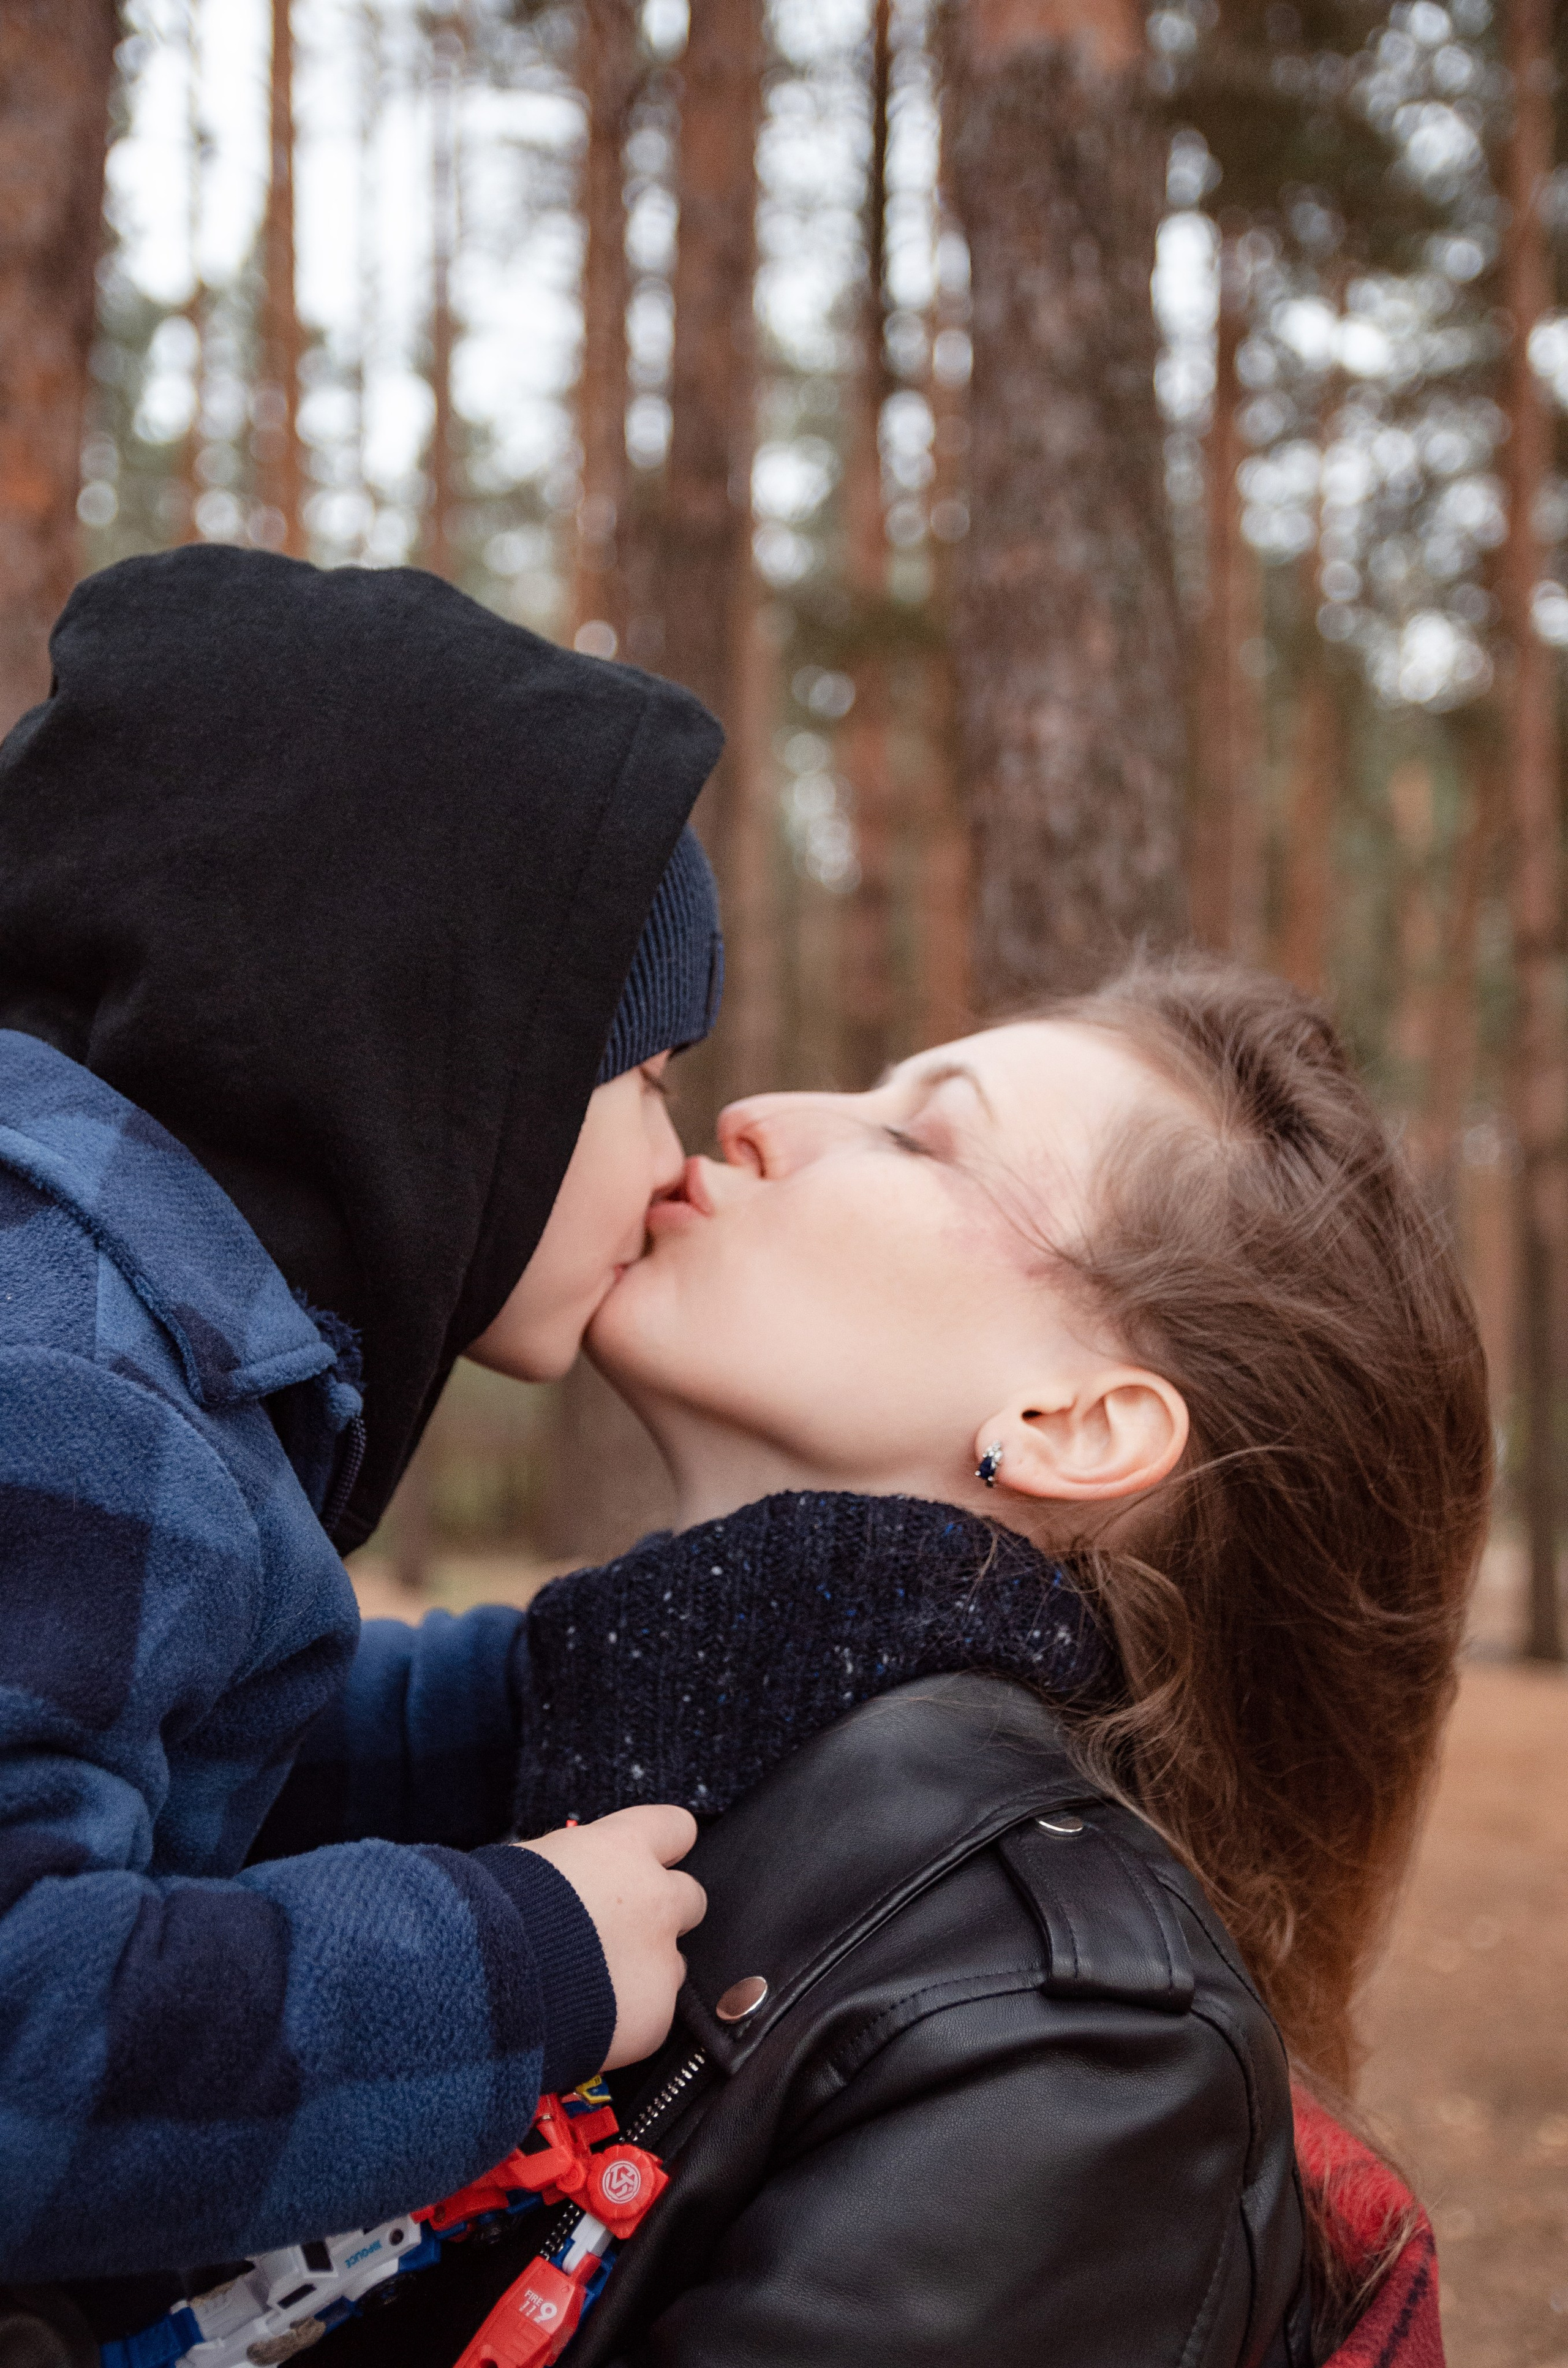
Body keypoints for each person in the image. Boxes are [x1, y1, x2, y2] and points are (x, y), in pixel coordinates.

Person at [332, 959, 1488, 2368]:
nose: (754, 1110)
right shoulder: (508, 1737)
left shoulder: (1066, 2054)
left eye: (918, 1134)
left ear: (1071, 1423)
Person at [0, 547, 718, 2342]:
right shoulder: (68, 1374)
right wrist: (511, 1965)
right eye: (638, 1075)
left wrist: (557, 1686)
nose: (678, 1157)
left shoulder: (130, 1330)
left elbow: (195, 1757)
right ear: (427, 1054)